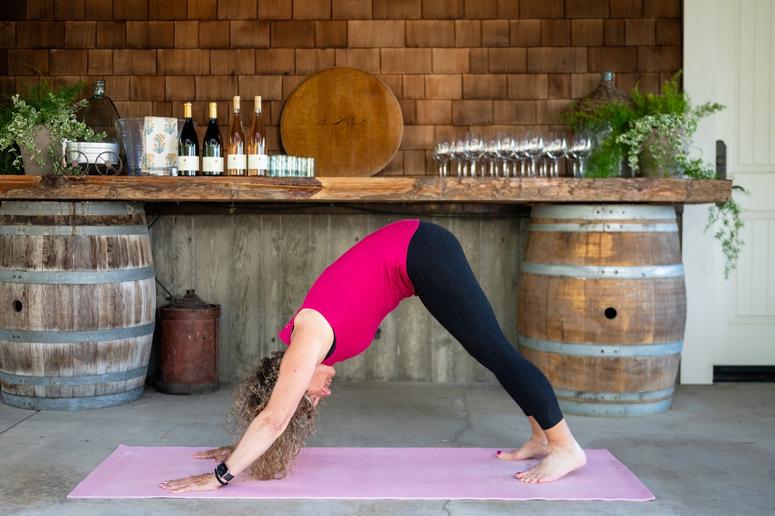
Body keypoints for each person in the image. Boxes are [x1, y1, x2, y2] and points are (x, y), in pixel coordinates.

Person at [161, 219, 586, 493]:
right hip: (415, 257)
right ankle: (541, 435)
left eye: (306, 398)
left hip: (423, 250)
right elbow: (274, 411)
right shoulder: (314, 346)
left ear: (289, 375)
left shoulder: (308, 340)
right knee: (494, 353)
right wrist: (239, 445)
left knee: (495, 351)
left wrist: (222, 476)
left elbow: (275, 417)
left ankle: (565, 446)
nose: (319, 398)